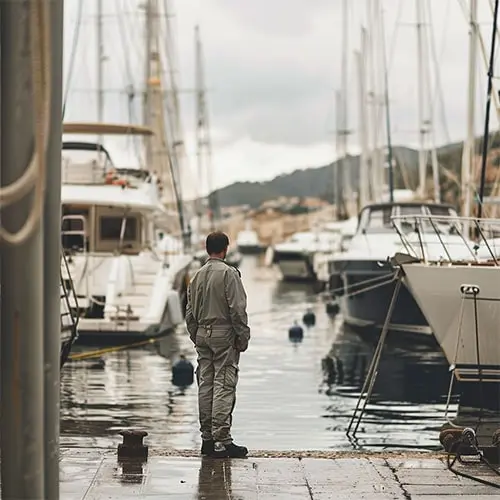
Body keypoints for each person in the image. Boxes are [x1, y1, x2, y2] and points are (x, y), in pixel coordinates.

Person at [185, 231, 250, 458]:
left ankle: (207, 439)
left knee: (206, 385)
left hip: (202, 334)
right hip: (224, 336)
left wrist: (197, 335)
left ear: (206, 249)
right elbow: (237, 310)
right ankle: (223, 439)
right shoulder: (229, 274)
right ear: (225, 249)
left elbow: (189, 313)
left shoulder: (197, 276)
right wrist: (243, 337)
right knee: (223, 384)